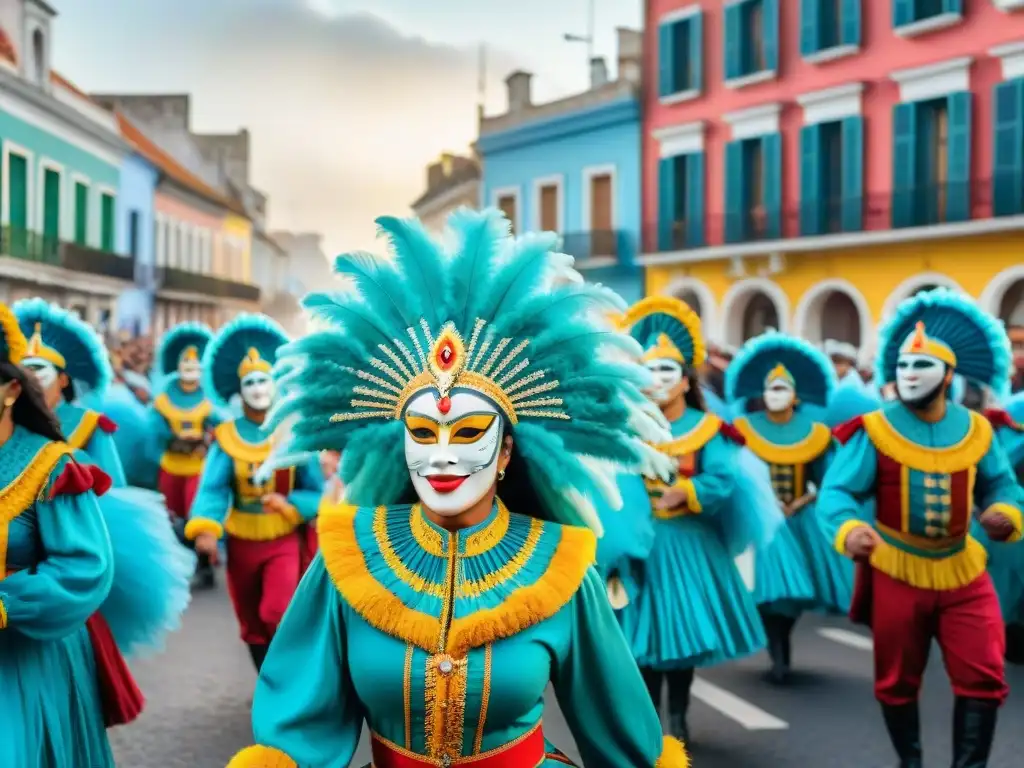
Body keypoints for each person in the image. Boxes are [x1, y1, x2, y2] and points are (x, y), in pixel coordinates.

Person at [225, 209, 688, 767]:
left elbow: (621, 731)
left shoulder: (560, 568)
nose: (441, 453)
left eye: (467, 432)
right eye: (423, 432)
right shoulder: (349, 561)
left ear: (506, 452)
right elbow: (299, 720)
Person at [819, 288, 1023, 768]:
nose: (909, 374)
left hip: (963, 570)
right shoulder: (874, 429)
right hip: (896, 568)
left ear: (949, 374)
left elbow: (1002, 485)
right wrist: (848, 528)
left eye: (922, 366)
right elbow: (837, 492)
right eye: (904, 366)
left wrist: (1006, 513)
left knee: (985, 672)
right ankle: (910, 763)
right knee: (897, 680)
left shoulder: (978, 430)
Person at [616, 296, 780, 744]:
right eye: (648, 370)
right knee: (640, 642)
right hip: (638, 547)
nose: (657, 380)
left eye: (667, 371)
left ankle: (679, 714)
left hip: (687, 544)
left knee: (682, 637)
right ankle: (649, 719)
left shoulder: (708, 429)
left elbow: (725, 479)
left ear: (686, 379)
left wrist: (688, 491)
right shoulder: (625, 426)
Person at [11, 298, 194, 660]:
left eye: (39, 370)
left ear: (63, 379)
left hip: (76, 540)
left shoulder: (90, 425)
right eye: (23, 370)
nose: (30, 379)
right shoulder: (11, 429)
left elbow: (114, 492)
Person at [0, 301, 136, 767]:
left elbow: (85, 566)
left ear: (11, 389)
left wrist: (8, 602)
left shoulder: (52, 464)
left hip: (23, 656)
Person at [185, 314, 323, 672]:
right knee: (251, 624)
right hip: (241, 541)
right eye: (251, 381)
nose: (259, 387)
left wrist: (290, 503)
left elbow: (316, 490)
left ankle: (287, 679)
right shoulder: (227, 437)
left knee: (276, 611)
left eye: (264, 379)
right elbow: (213, 488)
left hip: (282, 538)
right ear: (238, 388)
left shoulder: (293, 432)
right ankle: (267, 679)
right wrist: (205, 527)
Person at [725, 331, 853, 683]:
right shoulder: (743, 429)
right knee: (768, 593)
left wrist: (802, 501)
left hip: (798, 521)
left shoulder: (815, 433)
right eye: (769, 388)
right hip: (758, 522)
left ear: (795, 396)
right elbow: (733, 475)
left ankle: (782, 642)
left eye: (781, 388)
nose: (774, 395)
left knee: (794, 595)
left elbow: (829, 479)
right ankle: (777, 649)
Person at [149, 322, 221, 587]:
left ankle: (204, 563)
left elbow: (222, 427)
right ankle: (179, 561)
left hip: (199, 469)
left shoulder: (209, 398)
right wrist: (170, 437)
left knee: (197, 518)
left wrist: (208, 439)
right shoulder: (163, 399)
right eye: (185, 365)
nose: (190, 371)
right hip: (170, 467)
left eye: (195, 366)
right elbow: (155, 431)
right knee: (170, 518)